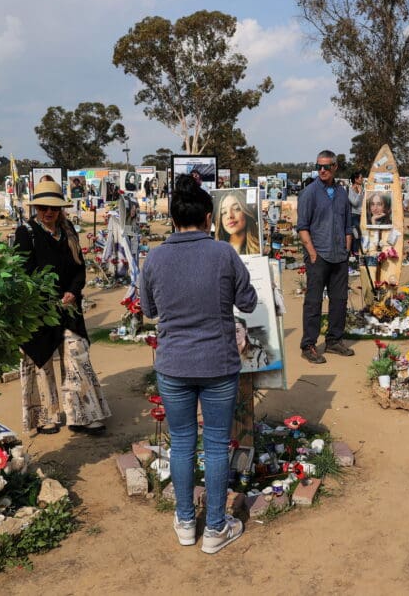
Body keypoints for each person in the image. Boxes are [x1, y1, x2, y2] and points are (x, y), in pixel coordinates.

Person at [139, 174, 257, 553]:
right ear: (209, 218)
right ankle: (216, 529)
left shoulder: (155, 257)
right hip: (218, 364)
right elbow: (249, 302)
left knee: (183, 443)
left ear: (173, 220)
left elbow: (148, 309)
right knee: (218, 444)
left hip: (174, 365)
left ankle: (187, 522)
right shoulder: (224, 254)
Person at [14, 180, 111, 437]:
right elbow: (21, 273)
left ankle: (84, 414)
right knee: (41, 363)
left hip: (68, 309)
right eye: (44, 207)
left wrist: (73, 290)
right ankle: (47, 416)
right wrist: (44, 298)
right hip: (39, 311)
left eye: (54, 208)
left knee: (76, 357)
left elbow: (79, 269)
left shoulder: (68, 232)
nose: (49, 212)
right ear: (36, 208)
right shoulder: (26, 233)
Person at [296, 150, 354, 363]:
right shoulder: (310, 193)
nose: (322, 170)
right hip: (318, 256)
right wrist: (312, 253)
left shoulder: (341, 193)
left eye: (326, 166)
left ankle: (334, 340)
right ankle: (308, 345)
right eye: (319, 166)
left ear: (335, 167)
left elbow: (349, 225)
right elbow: (302, 226)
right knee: (313, 302)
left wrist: (347, 248)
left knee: (339, 300)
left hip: (339, 256)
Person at [214, 189, 260, 255]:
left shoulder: (259, 250)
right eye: (224, 212)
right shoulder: (216, 251)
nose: (229, 216)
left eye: (236, 208)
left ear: (246, 212)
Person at [347, 172, 364, 256]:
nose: (362, 179)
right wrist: (360, 193)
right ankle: (354, 253)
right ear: (356, 179)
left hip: (361, 215)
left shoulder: (361, 189)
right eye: (361, 178)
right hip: (354, 215)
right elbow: (355, 203)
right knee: (356, 235)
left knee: (360, 235)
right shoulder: (350, 190)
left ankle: (356, 252)